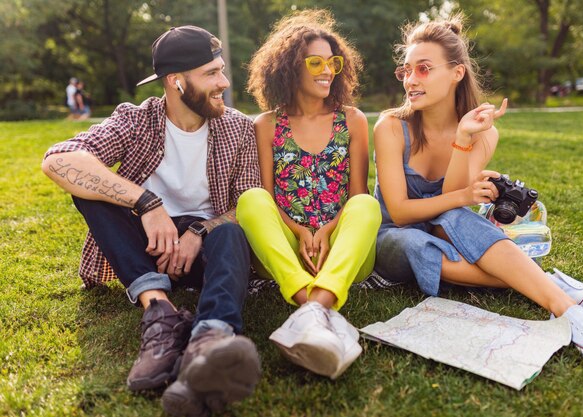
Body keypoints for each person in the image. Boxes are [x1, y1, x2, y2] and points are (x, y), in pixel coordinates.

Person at [373, 14, 583, 364]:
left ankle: (573, 317)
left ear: (457, 72)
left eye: (424, 69)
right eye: (406, 70)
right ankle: (542, 282)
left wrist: (463, 139)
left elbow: (452, 206)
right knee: (417, 239)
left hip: (449, 230)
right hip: (393, 238)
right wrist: (463, 196)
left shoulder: (483, 132)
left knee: (452, 216)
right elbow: (399, 212)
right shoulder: (390, 126)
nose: (411, 81)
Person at [42, 26, 263, 415]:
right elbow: (58, 160)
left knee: (232, 230)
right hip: (145, 250)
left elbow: (249, 204)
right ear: (176, 82)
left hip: (206, 252)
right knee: (92, 191)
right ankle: (159, 313)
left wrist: (199, 229)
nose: (224, 82)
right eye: (211, 73)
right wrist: (147, 203)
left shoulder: (240, 128)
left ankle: (210, 340)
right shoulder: (136, 120)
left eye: (221, 70)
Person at [238, 10, 381, 379]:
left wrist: (328, 230)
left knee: (366, 205)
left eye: (332, 62)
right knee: (251, 199)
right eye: (315, 62)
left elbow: (356, 195)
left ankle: (313, 307)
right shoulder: (267, 125)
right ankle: (314, 307)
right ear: (288, 68)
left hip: (344, 256)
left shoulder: (352, 120)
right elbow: (268, 200)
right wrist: (300, 231)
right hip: (286, 250)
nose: (327, 70)